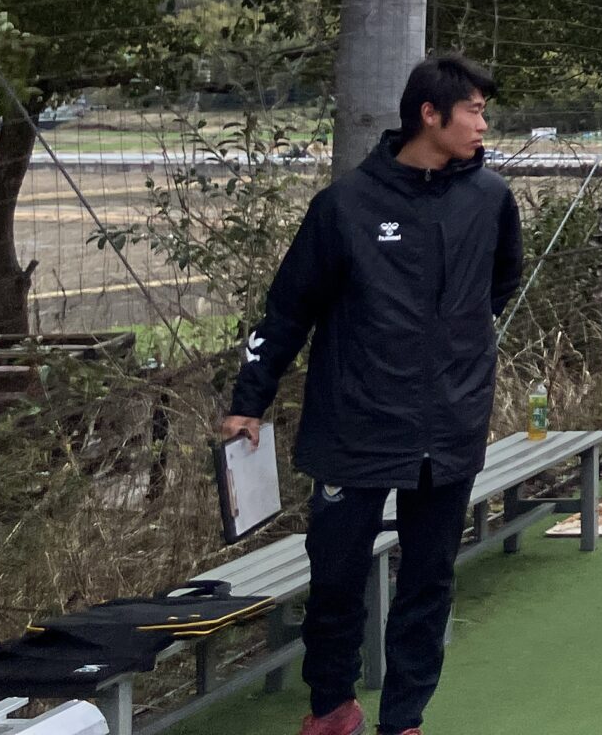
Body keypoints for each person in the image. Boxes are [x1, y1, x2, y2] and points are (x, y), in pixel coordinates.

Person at [221, 55, 524, 735]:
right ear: (430, 114)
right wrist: (250, 400)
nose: (483, 123)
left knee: (428, 582)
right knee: (334, 580)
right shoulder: (345, 206)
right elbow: (288, 311)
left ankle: (404, 720)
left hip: (450, 425)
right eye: (474, 109)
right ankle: (332, 706)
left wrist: (457, 351)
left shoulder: (490, 199)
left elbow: (498, 288)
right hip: (353, 425)